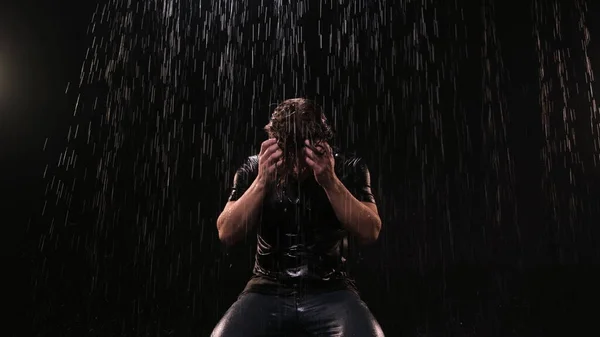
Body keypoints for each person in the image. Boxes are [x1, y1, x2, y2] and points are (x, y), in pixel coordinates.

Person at [211, 98, 385, 336]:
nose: (295, 164)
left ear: (319, 143)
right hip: (268, 288)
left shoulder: (348, 168)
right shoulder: (254, 169)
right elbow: (226, 232)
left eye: (303, 151)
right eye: (288, 152)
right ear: (274, 143)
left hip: (330, 288)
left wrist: (330, 181)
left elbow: (371, 231)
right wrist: (262, 182)